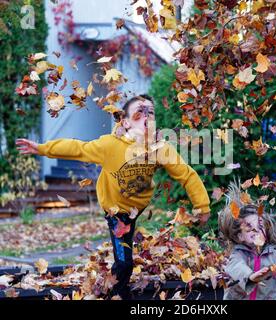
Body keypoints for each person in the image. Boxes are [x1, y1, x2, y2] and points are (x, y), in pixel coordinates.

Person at [16, 94, 211, 299]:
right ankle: (117, 294)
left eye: (150, 113)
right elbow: (77, 148)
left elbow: (186, 174)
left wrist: (202, 206)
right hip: (115, 208)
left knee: (127, 251)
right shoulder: (109, 145)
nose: (146, 116)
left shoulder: (160, 148)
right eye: (139, 112)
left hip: (138, 204)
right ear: (125, 122)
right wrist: (42, 148)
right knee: (124, 262)